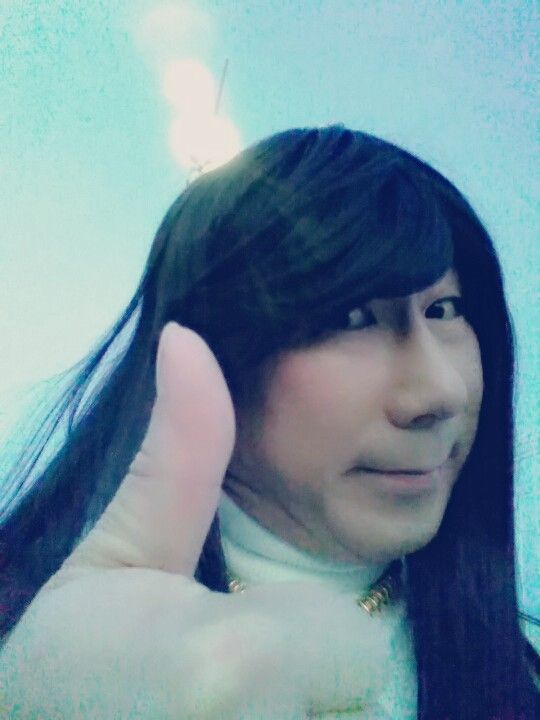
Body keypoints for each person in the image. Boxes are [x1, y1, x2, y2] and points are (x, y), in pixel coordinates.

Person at [0, 125, 538, 718]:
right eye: (354, 316)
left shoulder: (519, 671)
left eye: (445, 309)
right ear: (211, 355)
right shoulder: (37, 643)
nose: (441, 392)